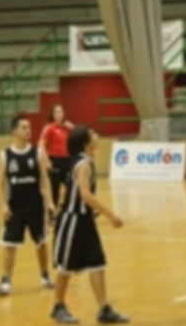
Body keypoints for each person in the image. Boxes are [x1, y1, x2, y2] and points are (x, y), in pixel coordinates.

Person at [50, 125, 129, 324]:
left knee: (97, 263)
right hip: (73, 220)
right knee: (66, 266)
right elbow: (85, 195)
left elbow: (66, 187)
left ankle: (104, 309)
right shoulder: (83, 163)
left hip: (85, 221)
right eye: (93, 134)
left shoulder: (81, 161)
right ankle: (58, 306)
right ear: (85, 141)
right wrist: (111, 215)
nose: (97, 135)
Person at [0, 116, 57, 296]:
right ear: (14, 131)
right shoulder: (5, 155)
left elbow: (44, 180)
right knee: (9, 244)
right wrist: (3, 206)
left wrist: (50, 202)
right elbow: (0, 183)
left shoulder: (37, 153)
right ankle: (6, 281)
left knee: (41, 243)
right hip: (15, 208)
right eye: (23, 128)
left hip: (35, 206)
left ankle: (45, 276)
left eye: (29, 127)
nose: (28, 130)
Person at [39, 104, 75, 207]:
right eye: (56, 112)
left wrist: (73, 127)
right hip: (55, 159)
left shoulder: (66, 128)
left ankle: (68, 206)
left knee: (72, 184)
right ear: (52, 114)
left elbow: (79, 137)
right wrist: (46, 161)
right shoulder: (49, 127)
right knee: (54, 187)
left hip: (67, 160)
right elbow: (41, 144)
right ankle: (52, 211)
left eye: (61, 112)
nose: (59, 114)